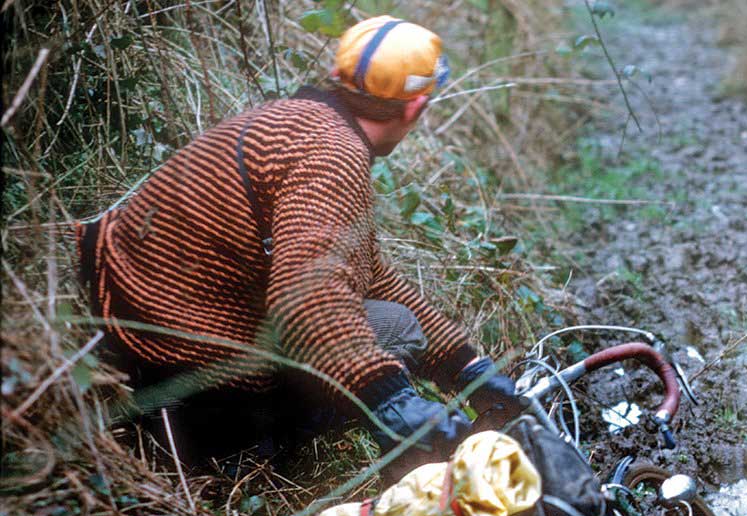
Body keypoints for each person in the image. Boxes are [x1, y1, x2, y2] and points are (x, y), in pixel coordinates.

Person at [76, 16, 515, 472]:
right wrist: (390, 400)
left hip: (124, 300)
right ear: (415, 107)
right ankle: (231, 452)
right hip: (170, 359)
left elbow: (371, 275)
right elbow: (308, 294)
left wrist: (468, 369)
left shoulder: (297, 121)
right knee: (396, 330)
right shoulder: (332, 155)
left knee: (386, 316)